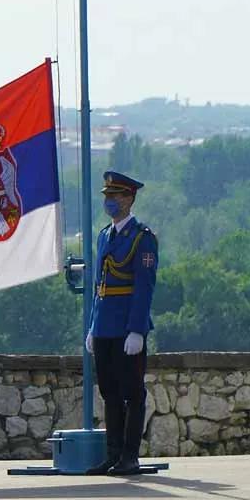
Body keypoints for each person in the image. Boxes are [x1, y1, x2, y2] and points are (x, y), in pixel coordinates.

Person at [85, 171, 158, 476]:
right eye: (107, 196)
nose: (110, 201)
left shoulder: (142, 238)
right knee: (109, 393)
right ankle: (112, 455)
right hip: (104, 327)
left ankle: (130, 457)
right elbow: (99, 285)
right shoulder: (105, 235)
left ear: (129, 199)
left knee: (133, 393)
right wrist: (93, 326)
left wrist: (137, 330)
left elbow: (144, 287)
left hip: (127, 328)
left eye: (115, 196)